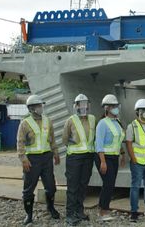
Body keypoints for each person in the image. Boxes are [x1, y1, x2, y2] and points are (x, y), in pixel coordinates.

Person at [17, 94, 61, 224]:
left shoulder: (48, 121)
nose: (41, 108)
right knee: (28, 189)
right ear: (31, 108)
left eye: (42, 105)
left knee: (51, 186)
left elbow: (52, 139)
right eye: (39, 106)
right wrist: (23, 159)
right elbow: (20, 142)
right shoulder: (25, 123)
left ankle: (50, 207)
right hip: (32, 160)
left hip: (47, 158)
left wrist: (56, 153)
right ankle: (29, 215)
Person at [63, 94, 96, 225]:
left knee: (83, 185)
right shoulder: (70, 120)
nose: (83, 106)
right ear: (76, 106)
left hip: (88, 157)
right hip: (74, 158)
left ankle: (79, 211)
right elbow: (65, 139)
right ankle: (70, 214)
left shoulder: (93, 119)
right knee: (73, 186)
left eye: (85, 103)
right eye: (80, 104)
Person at [94, 93, 126, 222]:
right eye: (113, 106)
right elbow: (99, 144)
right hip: (104, 157)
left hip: (114, 157)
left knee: (111, 183)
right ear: (107, 108)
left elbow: (118, 141)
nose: (115, 108)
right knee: (108, 183)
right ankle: (103, 211)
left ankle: (104, 208)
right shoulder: (102, 123)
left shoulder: (117, 122)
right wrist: (102, 161)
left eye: (116, 105)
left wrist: (122, 155)